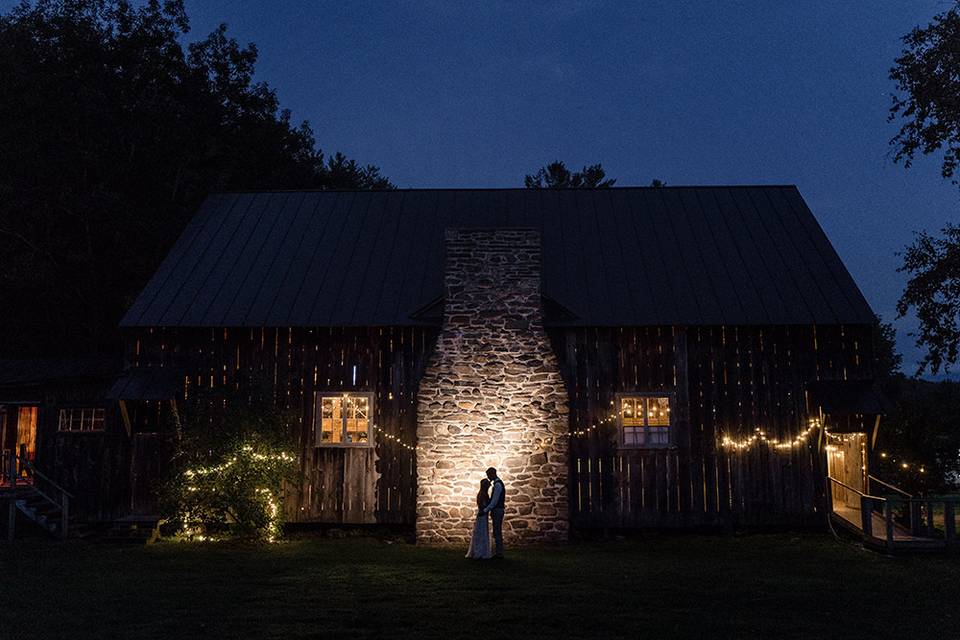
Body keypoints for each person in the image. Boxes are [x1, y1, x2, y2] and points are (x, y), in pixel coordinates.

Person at [481, 467, 505, 559]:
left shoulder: (498, 485)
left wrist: (486, 510)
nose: (488, 477)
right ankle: (498, 552)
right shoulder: (497, 484)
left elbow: (495, 501)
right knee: (496, 531)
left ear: (492, 474)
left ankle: (499, 553)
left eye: (488, 475)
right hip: (497, 510)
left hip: (498, 510)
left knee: (497, 531)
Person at [465, 478, 492, 559]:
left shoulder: (482, 493)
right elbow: (483, 505)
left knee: (480, 532)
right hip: (482, 515)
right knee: (481, 533)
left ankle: (479, 551)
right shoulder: (483, 494)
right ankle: (480, 551)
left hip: (482, 515)